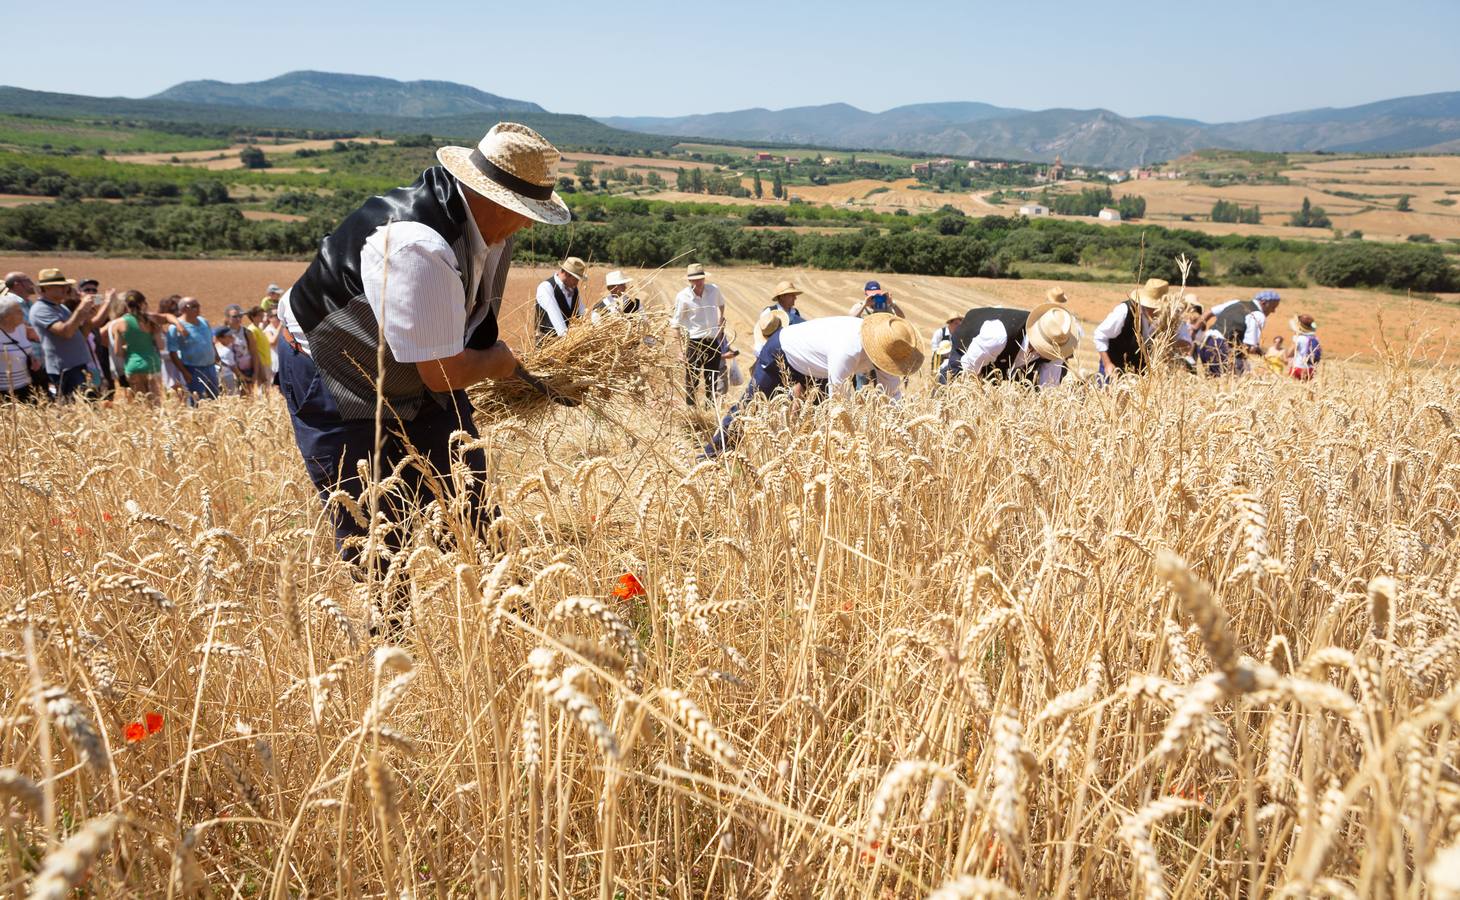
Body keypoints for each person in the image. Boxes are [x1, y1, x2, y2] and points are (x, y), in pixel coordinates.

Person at [276, 122, 573, 632]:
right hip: (336, 369)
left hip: (416, 364)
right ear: (490, 196)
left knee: (465, 490)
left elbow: (467, 325)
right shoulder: (417, 246)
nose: (525, 226)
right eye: (524, 214)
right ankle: (397, 644)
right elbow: (444, 373)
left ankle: (513, 620)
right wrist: (500, 364)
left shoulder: (486, 228)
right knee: (374, 522)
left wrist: (489, 352)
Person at [705, 313, 923, 456]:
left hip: (818, 366)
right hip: (783, 351)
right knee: (749, 407)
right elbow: (837, 399)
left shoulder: (889, 353)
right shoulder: (848, 347)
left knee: (814, 422)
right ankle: (713, 455)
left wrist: (900, 435)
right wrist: (853, 440)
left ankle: (806, 459)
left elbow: (891, 397)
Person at [947, 292, 1080, 386]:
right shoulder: (997, 336)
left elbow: (1047, 389)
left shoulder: (1057, 348)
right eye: (1046, 348)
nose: (1047, 353)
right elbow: (968, 370)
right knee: (951, 388)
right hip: (967, 349)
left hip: (1004, 364)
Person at [28, 268, 106, 400]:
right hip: (65, 369)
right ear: (45, 289)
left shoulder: (60, 307)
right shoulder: (41, 309)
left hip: (78, 365)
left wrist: (87, 319)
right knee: (73, 408)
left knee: (89, 406)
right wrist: (80, 311)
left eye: (66, 286)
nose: (66, 289)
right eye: (60, 286)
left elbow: (81, 334)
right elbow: (65, 333)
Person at [671, 263, 726, 407]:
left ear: (704, 279)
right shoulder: (683, 297)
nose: (698, 283)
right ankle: (691, 411)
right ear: (689, 281)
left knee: (712, 379)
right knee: (692, 380)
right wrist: (680, 351)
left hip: (713, 342)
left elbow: (721, 304)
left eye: (700, 279)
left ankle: (711, 410)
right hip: (694, 343)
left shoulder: (714, 290)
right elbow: (675, 325)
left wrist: (721, 319)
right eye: (694, 280)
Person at [1093, 278, 1170, 380]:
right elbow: (1100, 335)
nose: (1154, 311)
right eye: (1151, 307)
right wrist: (1107, 364)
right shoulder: (1125, 311)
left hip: (1140, 371)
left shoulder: (1168, 318)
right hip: (1115, 364)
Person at [105, 290, 167, 403]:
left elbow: (118, 352)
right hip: (152, 364)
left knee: (141, 404)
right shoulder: (151, 321)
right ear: (143, 304)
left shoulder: (118, 324)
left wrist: (130, 350)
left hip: (132, 366)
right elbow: (161, 345)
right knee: (155, 403)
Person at [1210, 290, 1281, 374]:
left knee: (1211, 381)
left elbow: (1209, 312)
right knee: (1235, 378)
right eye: (1273, 307)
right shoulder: (1257, 315)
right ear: (1264, 302)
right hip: (1221, 348)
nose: (1273, 311)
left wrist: (1195, 330)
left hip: (1207, 342)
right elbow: (1249, 348)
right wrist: (1262, 355)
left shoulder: (1237, 302)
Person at [166, 297, 220, 401]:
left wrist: (216, 355)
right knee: (196, 400)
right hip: (193, 369)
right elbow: (172, 353)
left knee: (214, 397)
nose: (198, 308)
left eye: (198, 305)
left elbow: (210, 341)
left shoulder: (204, 321)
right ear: (183, 309)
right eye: (194, 306)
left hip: (210, 367)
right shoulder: (175, 328)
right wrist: (185, 372)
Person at [535, 257, 586, 341]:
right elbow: (558, 324)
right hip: (548, 347)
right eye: (576, 279)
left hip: (570, 344)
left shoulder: (574, 290)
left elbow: (582, 312)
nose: (577, 283)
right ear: (566, 273)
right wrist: (569, 339)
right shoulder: (546, 287)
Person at [0, 296, 39, 402]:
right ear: (6, 316)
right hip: (4, 391)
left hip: (26, 385)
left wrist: (32, 357)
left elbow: (25, 347)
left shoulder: (21, 328)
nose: (22, 313)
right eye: (18, 311)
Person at [754, 280, 806, 353]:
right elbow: (761, 336)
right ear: (782, 297)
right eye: (791, 295)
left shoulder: (795, 313)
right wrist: (759, 354)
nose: (795, 298)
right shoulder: (769, 312)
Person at [156, 295, 189, 398]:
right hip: (169, 368)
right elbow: (160, 351)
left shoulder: (180, 326)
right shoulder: (157, 328)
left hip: (182, 365)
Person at [214, 327, 245, 394]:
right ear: (220, 338)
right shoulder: (227, 351)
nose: (232, 338)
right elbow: (233, 367)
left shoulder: (215, 347)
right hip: (227, 377)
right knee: (232, 394)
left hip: (217, 376)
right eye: (229, 336)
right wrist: (241, 377)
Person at [1289, 315, 1321, 380]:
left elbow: (1290, 353)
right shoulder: (1315, 338)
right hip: (1311, 369)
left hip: (1298, 367)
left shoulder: (1299, 339)